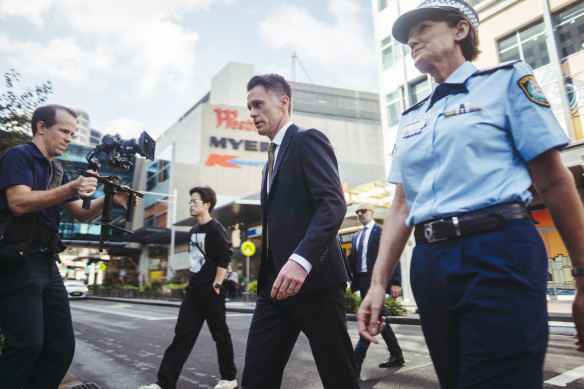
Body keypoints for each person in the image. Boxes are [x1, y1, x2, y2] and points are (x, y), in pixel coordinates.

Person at [356, 0, 584, 387]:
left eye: (423, 28)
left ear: (460, 30)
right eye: (409, 36)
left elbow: (553, 180)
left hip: (497, 250)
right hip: (429, 264)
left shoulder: (507, 80)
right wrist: (377, 284)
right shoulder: (412, 117)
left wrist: (582, 279)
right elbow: (401, 205)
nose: (412, 39)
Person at [0, 104, 132, 389]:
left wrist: (111, 199)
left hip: (48, 263)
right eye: (64, 131)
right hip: (20, 259)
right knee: (26, 344)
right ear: (41, 127)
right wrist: (73, 187)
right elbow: (18, 202)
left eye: (73, 133)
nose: (69, 138)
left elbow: (80, 213)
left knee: (61, 347)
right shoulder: (19, 156)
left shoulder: (55, 168)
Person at [241, 74, 359, 389]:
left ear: (283, 102)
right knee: (256, 378)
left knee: (339, 378)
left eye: (258, 104)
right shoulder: (268, 162)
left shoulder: (307, 139)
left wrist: (302, 260)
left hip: (316, 282)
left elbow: (333, 204)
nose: (252, 113)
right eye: (249, 106)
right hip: (273, 288)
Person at [139, 186, 237, 389]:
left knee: (220, 335)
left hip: (212, 292)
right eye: (190, 201)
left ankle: (229, 378)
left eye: (195, 201)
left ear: (207, 204)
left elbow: (224, 257)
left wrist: (217, 285)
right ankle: (164, 383)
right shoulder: (193, 230)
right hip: (193, 293)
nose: (191, 205)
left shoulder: (215, 228)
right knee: (182, 336)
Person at [347, 202, 404, 375]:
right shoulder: (356, 236)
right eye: (357, 211)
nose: (360, 214)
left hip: (378, 281)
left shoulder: (382, 231)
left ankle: (356, 361)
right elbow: (351, 261)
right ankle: (397, 355)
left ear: (372, 212)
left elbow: (393, 255)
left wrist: (396, 282)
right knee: (379, 317)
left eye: (363, 211)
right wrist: (346, 279)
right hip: (363, 281)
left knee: (371, 317)